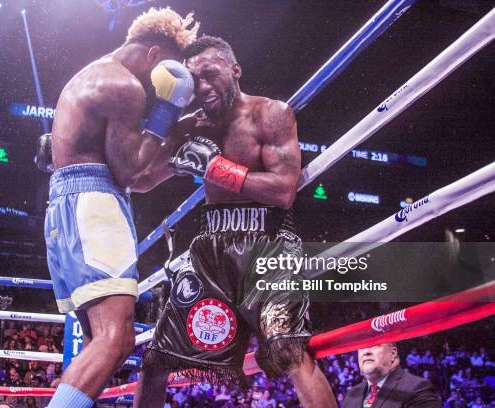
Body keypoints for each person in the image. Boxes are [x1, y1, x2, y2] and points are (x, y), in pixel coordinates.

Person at [132, 36, 335, 408]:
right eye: (195, 81)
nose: (204, 87)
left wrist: (216, 169)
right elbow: (141, 180)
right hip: (212, 250)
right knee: (155, 360)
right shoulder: (190, 127)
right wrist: (165, 123)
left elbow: (283, 190)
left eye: (211, 74)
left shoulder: (270, 114)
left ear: (235, 70)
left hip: (269, 243)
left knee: (288, 351)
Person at [38, 7, 199, 408]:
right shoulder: (125, 85)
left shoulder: (94, 73)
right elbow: (128, 172)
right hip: (93, 207)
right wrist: (169, 112)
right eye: (167, 67)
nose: (163, 79)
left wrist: (175, 147)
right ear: (152, 54)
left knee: (97, 342)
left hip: (69, 207)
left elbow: (137, 175)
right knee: (116, 338)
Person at [342, 343, 441, 408]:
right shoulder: (351, 394)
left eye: (375, 345)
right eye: (362, 347)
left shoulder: (418, 388)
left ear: (393, 353)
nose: (366, 352)